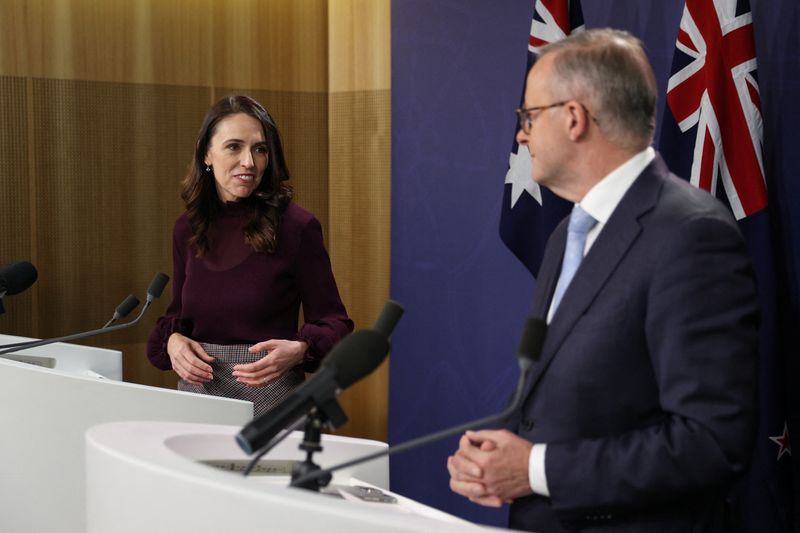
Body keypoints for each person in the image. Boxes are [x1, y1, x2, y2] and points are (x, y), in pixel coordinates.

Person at [447, 29, 759, 532]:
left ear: (573, 118)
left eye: (528, 117)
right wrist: (498, 455)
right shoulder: (566, 235)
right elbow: (568, 397)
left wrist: (534, 470)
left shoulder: (691, 234)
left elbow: (710, 442)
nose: (522, 135)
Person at [147, 95, 353, 417]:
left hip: (273, 406)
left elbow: (334, 323)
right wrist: (173, 341)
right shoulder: (186, 229)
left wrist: (300, 349)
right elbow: (179, 316)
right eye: (234, 147)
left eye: (260, 149)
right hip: (197, 404)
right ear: (207, 154)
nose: (249, 162)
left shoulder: (298, 227)